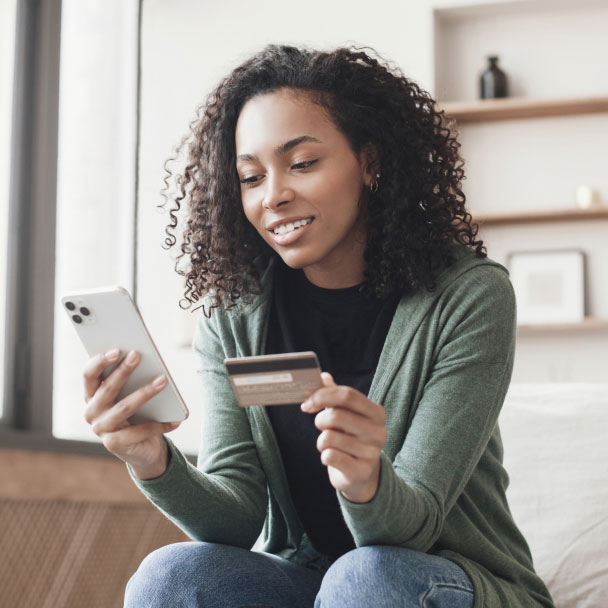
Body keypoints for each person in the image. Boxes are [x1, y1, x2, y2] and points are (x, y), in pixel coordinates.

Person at [82, 44, 555, 607]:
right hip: (312, 580)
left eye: (302, 164)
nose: (274, 195)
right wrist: (152, 460)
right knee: (172, 577)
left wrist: (364, 481)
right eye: (251, 177)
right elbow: (236, 518)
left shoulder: (467, 297)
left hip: (439, 580)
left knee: (365, 579)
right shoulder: (233, 317)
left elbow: (412, 529)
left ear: (370, 162)